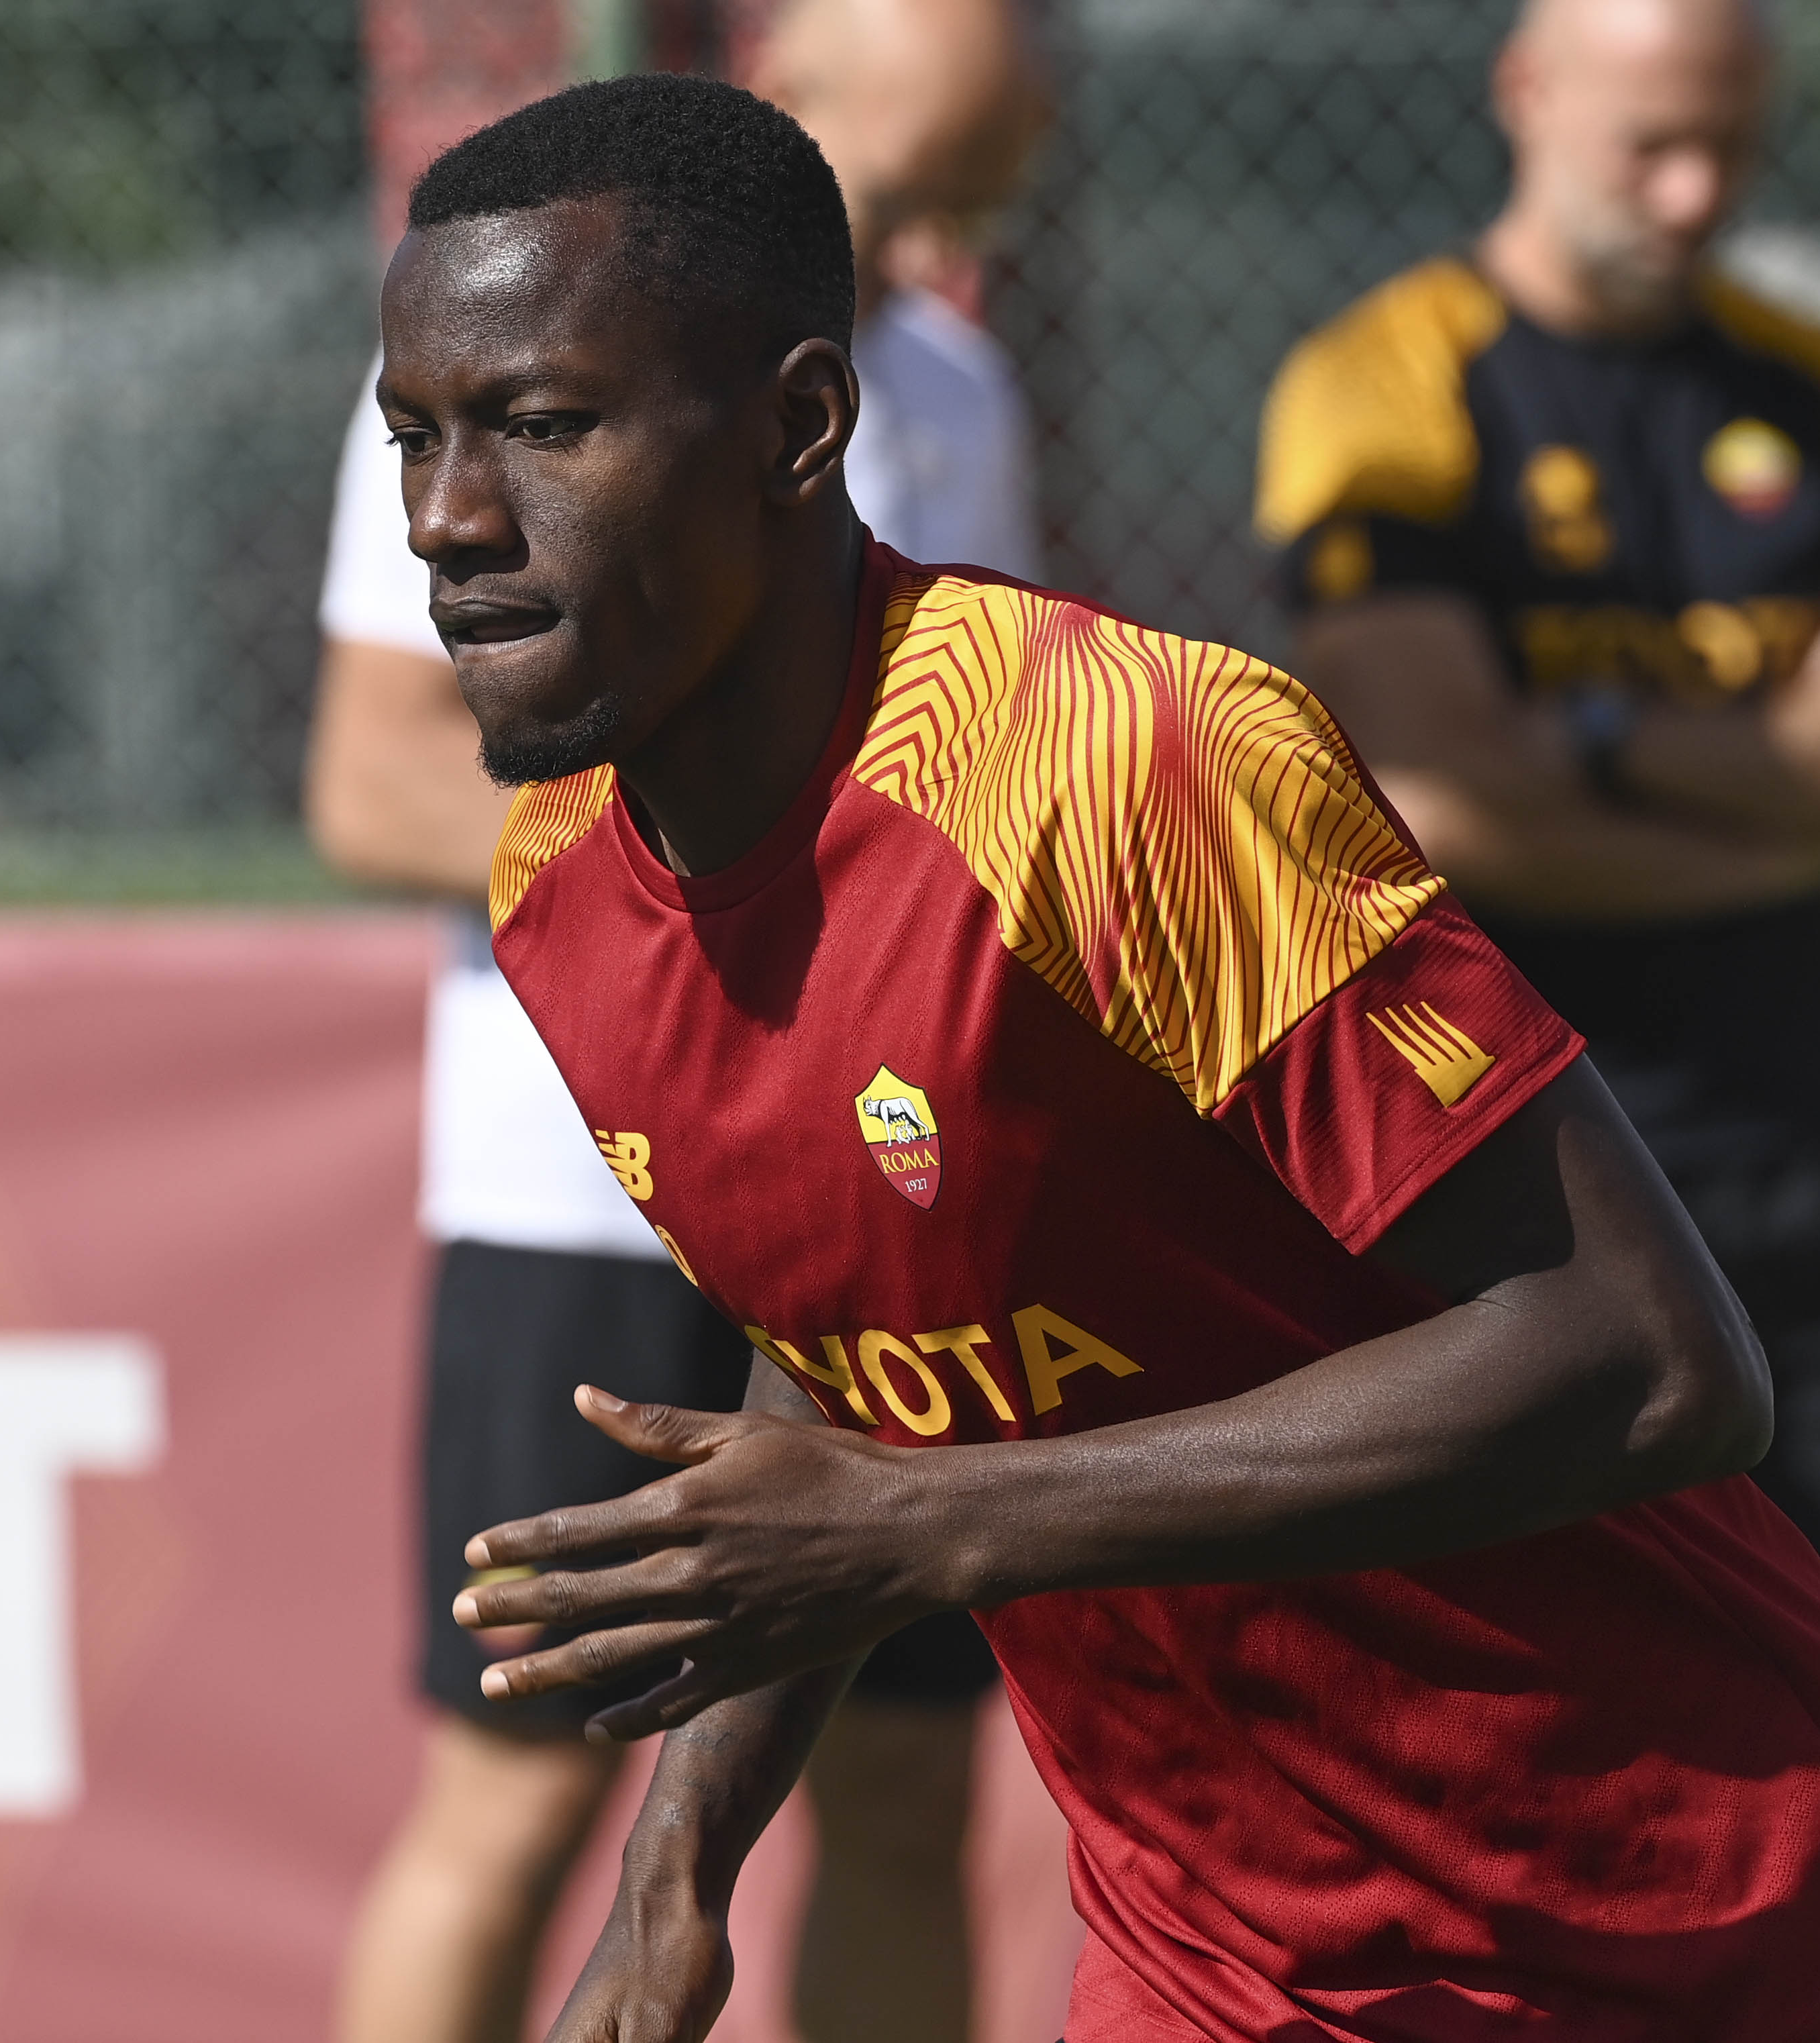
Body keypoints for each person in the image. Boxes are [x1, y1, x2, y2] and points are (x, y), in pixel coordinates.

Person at [373, 69, 1820, 2043]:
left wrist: (932, 1520)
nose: (451, 521)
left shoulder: (1117, 763)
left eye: (541, 428)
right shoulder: (561, 886)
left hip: (1705, 1936)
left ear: (799, 428)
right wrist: (668, 1891)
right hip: (1226, 1976)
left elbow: (1652, 1354)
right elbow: (839, 1322)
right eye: (416, 439)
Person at [306, 10, 1048, 2042]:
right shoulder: (502, 359)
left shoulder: (954, 385)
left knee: (904, 1781)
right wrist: (716, 849)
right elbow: (372, 784)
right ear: (813, 56)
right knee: (527, 1787)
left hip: (899, 1187)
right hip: (586, 1205)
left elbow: (976, 777)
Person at [1255, 0, 1820, 1652]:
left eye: (1728, 146)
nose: (1692, 194)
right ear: (1525, 92)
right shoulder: (1381, 384)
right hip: (1507, 1150)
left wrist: (1582, 741)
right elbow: (1433, 792)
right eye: (1649, 145)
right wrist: (1796, 774)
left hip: (1792, 1125)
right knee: (1535, 1682)